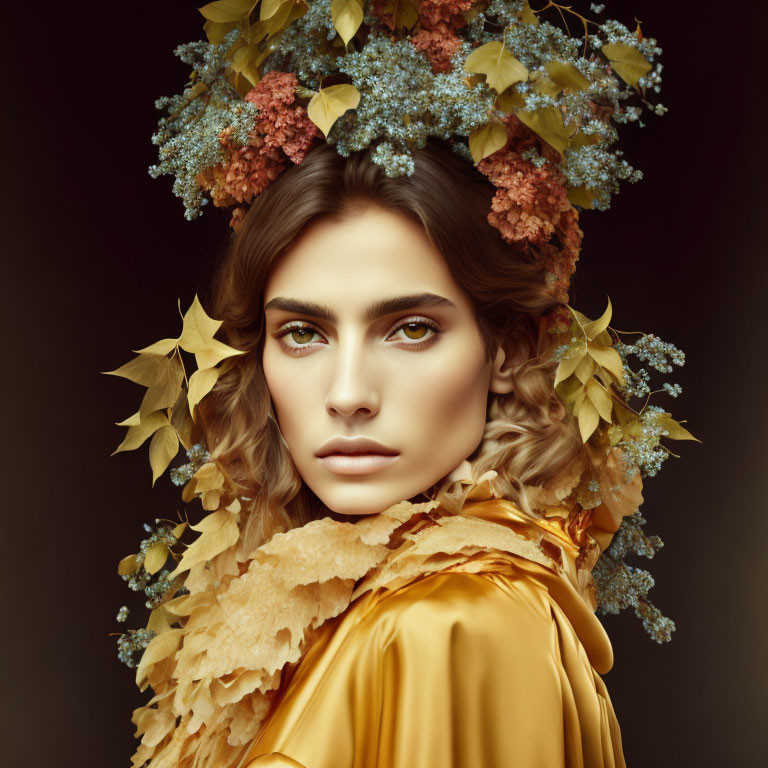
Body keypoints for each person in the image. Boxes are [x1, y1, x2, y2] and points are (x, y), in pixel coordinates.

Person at [111, 4, 692, 768]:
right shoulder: (343, 601)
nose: (348, 393)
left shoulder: (452, 623)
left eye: (411, 328)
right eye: (304, 333)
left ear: (509, 349)